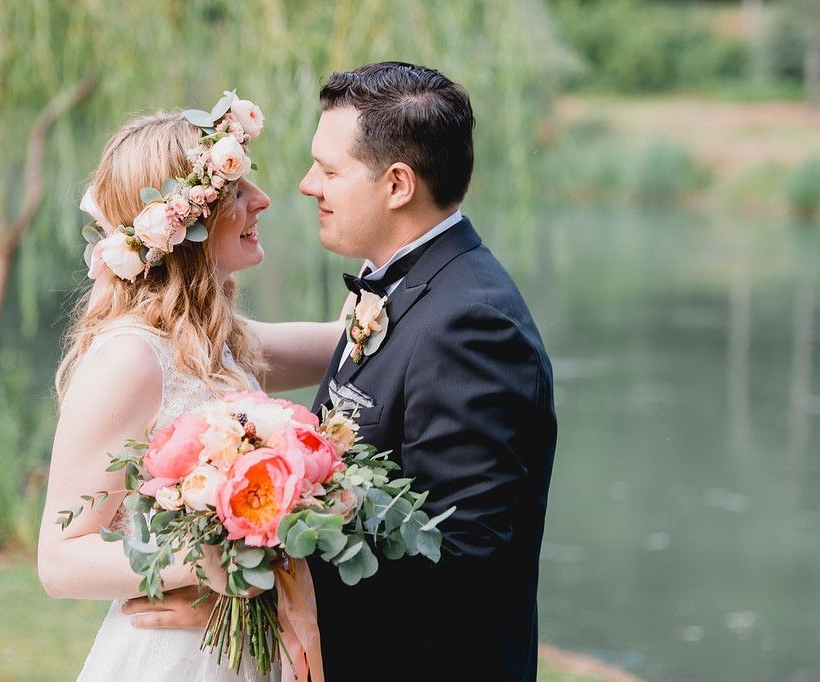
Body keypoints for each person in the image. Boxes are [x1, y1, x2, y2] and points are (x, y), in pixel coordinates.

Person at [36, 104, 341, 681]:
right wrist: (203, 563)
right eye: (234, 190)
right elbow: (59, 561)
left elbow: (344, 340)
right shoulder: (130, 356)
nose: (262, 198)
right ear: (186, 225)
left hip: (240, 648)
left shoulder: (215, 339)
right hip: (176, 659)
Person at [296, 62, 557, 680]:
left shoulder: (471, 325)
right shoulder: (406, 286)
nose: (309, 185)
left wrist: (280, 581)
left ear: (397, 185)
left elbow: (462, 561)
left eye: (330, 171)